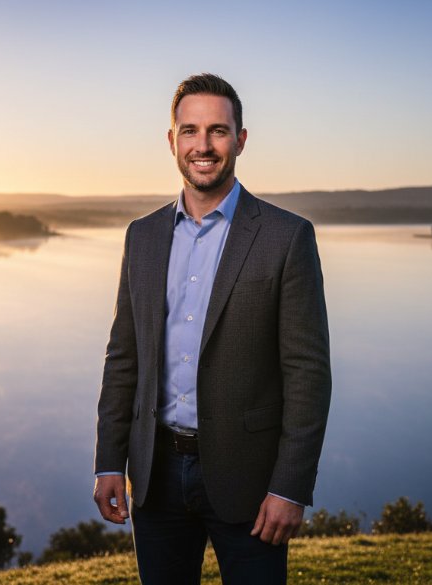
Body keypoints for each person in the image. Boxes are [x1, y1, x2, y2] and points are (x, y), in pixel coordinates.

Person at [93, 73, 332, 584]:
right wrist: (109, 460)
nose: (203, 146)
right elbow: (124, 357)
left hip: (249, 482)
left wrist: (290, 488)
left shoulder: (286, 237)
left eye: (218, 131)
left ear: (240, 140)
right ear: (172, 140)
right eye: (190, 131)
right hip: (154, 477)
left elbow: (308, 374)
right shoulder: (142, 236)